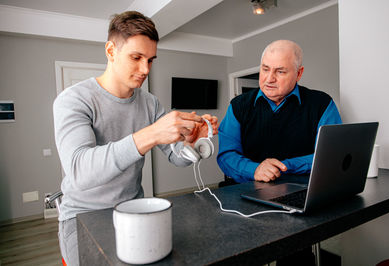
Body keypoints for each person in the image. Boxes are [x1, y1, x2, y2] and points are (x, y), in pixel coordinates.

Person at [53, 11, 217, 265]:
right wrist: (150, 134)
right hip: (83, 216)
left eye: (150, 60)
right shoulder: (74, 99)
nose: (145, 69)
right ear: (110, 51)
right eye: (136, 57)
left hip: (133, 210)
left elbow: (176, 157)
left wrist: (192, 143)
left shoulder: (149, 103)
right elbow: (79, 170)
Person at [217, 39, 342, 184]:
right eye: (265, 69)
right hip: (247, 192)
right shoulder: (238, 105)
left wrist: (284, 166)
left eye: (280, 71)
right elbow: (226, 155)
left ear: (299, 73)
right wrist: (255, 170)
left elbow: (330, 154)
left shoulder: (322, 104)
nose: (269, 79)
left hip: (303, 190)